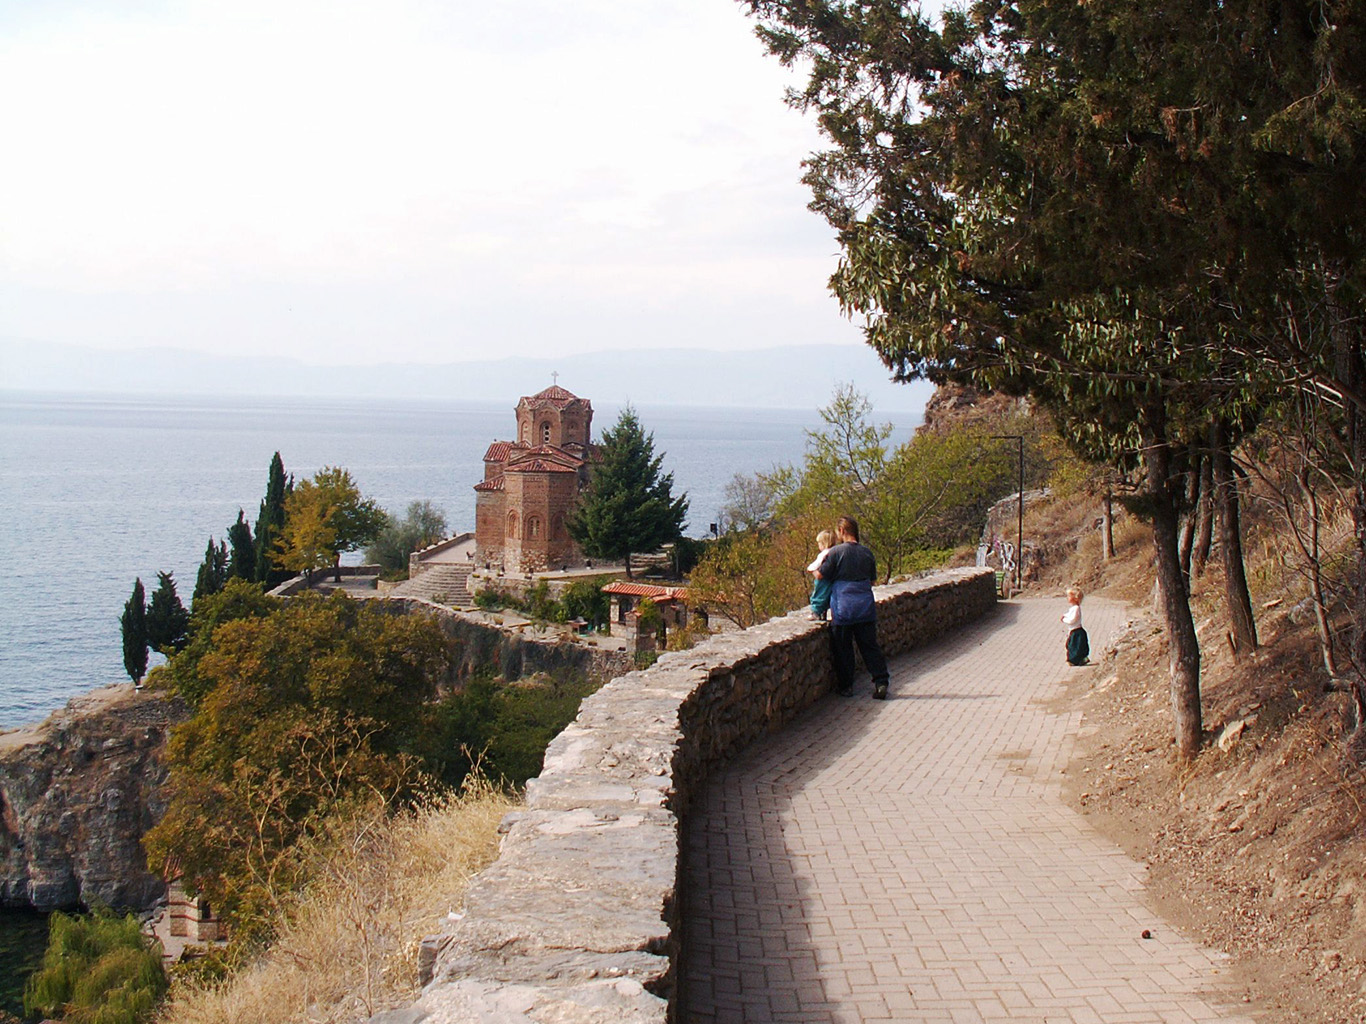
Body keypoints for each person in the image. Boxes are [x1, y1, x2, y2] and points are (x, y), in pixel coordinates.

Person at [819, 516, 891, 699]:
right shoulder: (867, 553)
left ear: (842, 531)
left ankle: (846, 686)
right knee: (870, 646)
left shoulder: (835, 553)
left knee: (843, 648)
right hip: (865, 608)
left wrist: (814, 568)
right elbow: (872, 580)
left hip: (843, 609)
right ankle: (881, 681)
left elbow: (821, 575)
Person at [807, 529, 835, 621]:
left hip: (824, 580)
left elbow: (816, 565)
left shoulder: (824, 554)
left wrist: (811, 569)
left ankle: (816, 612)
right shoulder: (835, 552)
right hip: (833, 579)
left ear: (823, 544)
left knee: (819, 595)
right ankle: (823, 612)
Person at [1062, 586, 1089, 665]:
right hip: (1072, 631)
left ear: (1075, 598)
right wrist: (1065, 615)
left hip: (1077, 631)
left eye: (1069, 596)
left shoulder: (1076, 608)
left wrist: (1064, 620)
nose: (1067, 598)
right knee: (1070, 645)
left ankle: (1075, 660)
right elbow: (1069, 614)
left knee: (1076, 646)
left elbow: (1072, 620)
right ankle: (1075, 659)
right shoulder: (1072, 608)